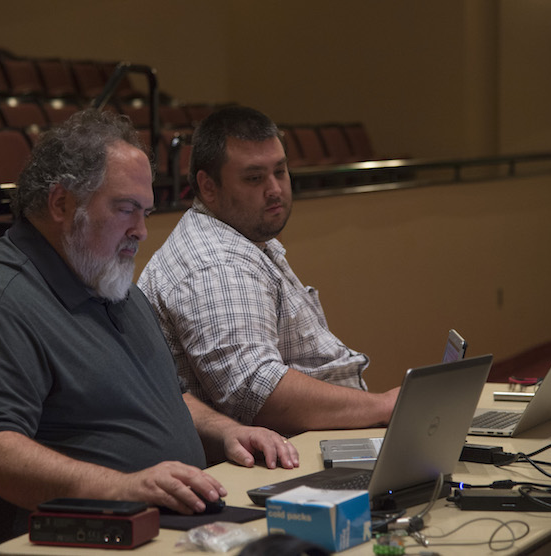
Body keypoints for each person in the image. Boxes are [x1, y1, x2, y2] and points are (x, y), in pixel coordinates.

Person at [0, 109, 298, 555]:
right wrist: (124, 488)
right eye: (125, 209)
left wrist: (224, 431)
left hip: (152, 533)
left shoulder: (111, 284)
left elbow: (163, 398)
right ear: (60, 204)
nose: (142, 231)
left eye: (145, 212)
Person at [138, 106, 400, 436]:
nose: (274, 189)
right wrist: (383, 407)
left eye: (280, 171)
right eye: (254, 178)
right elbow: (256, 392)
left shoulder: (243, 237)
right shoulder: (217, 265)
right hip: (267, 464)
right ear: (208, 187)